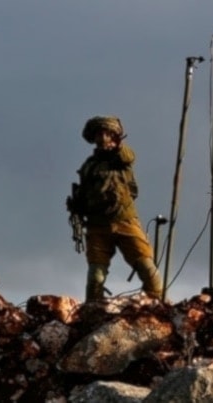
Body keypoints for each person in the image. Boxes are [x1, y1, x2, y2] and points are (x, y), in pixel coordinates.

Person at [67, 115, 162, 302]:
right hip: (97, 226)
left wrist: (118, 147)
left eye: (106, 133)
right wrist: (76, 206)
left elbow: (128, 157)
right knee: (96, 277)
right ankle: (92, 313)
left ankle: (156, 307)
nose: (102, 137)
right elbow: (84, 194)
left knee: (148, 269)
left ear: (114, 136)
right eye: (99, 134)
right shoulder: (89, 166)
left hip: (125, 221)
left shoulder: (121, 158)